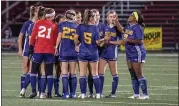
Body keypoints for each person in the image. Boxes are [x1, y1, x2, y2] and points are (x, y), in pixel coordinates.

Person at [74, 9, 110, 99]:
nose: (95, 18)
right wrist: (104, 39)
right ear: (90, 17)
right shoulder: (95, 28)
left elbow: (75, 39)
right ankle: (98, 94)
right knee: (95, 74)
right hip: (93, 52)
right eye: (93, 16)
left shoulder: (80, 26)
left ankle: (83, 94)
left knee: (82, 74)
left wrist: (78, 44)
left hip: (82, 52)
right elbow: (98, 42)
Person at [112, 11, 149, 99]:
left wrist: (128, 40)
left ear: (135, 18)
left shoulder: (138, 27)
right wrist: (116, 22)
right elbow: (122, 30)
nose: (130, 15)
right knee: (133, 74)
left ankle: (145, 94)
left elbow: (140, 41)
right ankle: (136, 94)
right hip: (129, 52)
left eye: (132, 15)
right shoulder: (129, 26)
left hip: (137, 52)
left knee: (139, 74)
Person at [28, 8, 57, 99]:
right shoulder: (54, 25)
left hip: (38, 50)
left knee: (33, 71)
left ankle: (33, 91)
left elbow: (32, 37)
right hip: (49, 51)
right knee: (49, 73)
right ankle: (48, 93)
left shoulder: (38, 23)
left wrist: (31, 48)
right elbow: (55, 40)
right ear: (52, 16)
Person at [98, 10, 122, 98]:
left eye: (113, 17)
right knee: (100, 73)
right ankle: (99, 92)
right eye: (110, 17)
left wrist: (111, 42)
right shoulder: (103, 27)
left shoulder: (117, 28)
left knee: (114, 74)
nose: (112, 18)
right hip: (103, 53)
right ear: (107, 18)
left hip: (112, 53)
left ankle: (113, 93)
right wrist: (103, 41)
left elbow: (122, 42)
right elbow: (99, 42)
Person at [55, 10, 78, 98]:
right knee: (73, 73)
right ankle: (73, 93)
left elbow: (59, 36)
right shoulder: (76, 26)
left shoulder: (61, 25)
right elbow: (77, 40)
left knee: (64, 73)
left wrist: (56, 47)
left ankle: (66, 93)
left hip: (64, 51)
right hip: (73, 51)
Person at [18, 5, 38, 97]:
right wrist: (20, 49)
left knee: (32, 70)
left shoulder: (40, 23)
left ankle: (24, 89)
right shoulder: (27, 23)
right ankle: (22, 90)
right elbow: (20, 37)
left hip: (37, 50)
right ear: (34, 12)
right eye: (38, 11)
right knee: (25, 70)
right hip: (27, 49)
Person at [53, 13, 65, 97]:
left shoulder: (65, 29)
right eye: (61, 22)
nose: (63, 23)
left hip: (61, 51)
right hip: (52, 51)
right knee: (47, 72)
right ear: (56, 22)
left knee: (59, 71)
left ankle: (58, 92)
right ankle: (43, 91)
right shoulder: (54, 28)